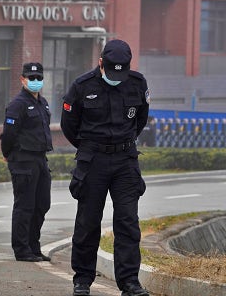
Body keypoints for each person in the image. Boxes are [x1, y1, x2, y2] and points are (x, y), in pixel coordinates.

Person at [60, 39, 150, 296]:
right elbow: (69, 125)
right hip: (94, 161)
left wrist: (122, 143)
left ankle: (130, 282)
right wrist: (91, 147)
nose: (116, 78)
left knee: (127, 222)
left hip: (125, 161)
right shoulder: (81, 86)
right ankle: (82, 280)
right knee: (88, 221)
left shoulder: (137, 83)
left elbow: (140, 119)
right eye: (111, 72)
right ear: (101, 63)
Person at [0, 62, 53, 262]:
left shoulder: (42, 103)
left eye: (39, 78)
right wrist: (7, 154)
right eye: (32, 78)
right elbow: (9, 133)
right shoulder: (18, 104)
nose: (36, 81)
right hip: (23, 160)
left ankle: (34, 247)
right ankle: (22, 250)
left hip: (40, 159)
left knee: (42, 204)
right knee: (25, 206)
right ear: (22, 79)